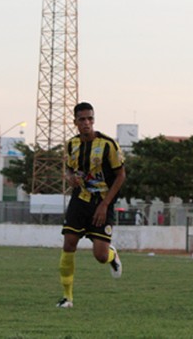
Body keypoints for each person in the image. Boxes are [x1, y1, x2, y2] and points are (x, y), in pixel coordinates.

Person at [57, 102, 126, 309]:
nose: (86, 123)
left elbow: (121, 175)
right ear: (75, 122)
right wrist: (70, 178)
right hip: (80, 200)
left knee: (100, 256)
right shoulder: (71, 144)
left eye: (90, 119)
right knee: (69, 244)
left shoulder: (108, 144)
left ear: (93, 120)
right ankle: (67, 298)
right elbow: (69, 170)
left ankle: (112, 256)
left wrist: (105, 204)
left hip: (102, 202)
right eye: (82, 119)